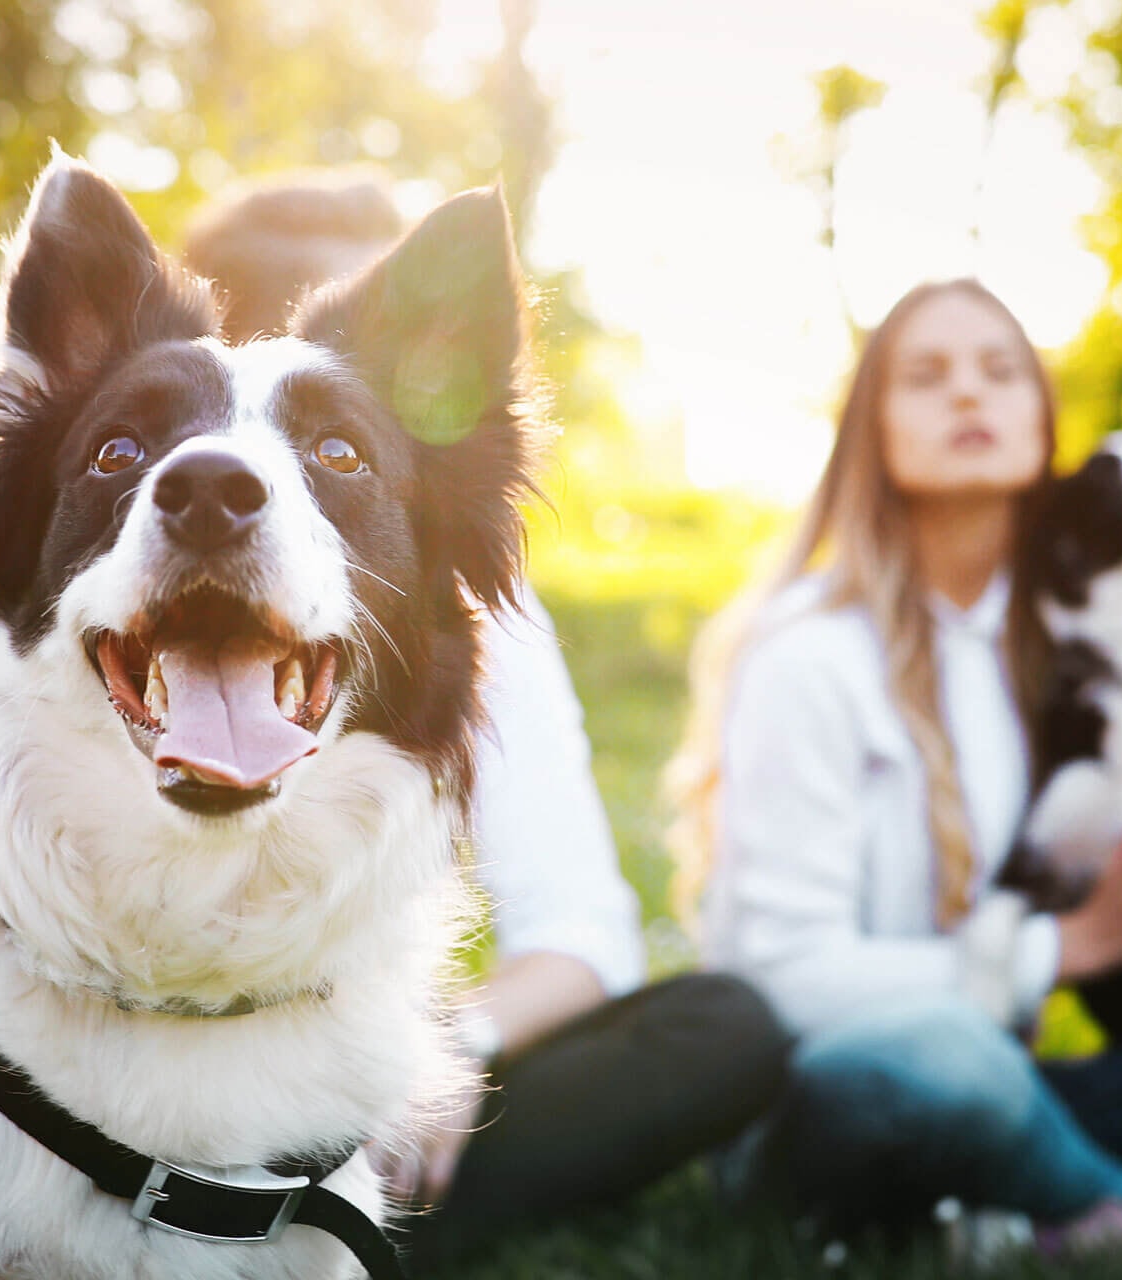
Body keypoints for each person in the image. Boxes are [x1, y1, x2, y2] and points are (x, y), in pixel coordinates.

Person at [182, 176, 791, 1266]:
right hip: (129, 1055)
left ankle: (321, 1210)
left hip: (375, 1067)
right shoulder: (113, 578)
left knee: (719, 1026)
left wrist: (433, 1054)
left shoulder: (460, 612)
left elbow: (579, 934)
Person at [674, 277, 1122, 1254]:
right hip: (839, 1092)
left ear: (1043, 420)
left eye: (1000, 371)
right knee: (949, 1060)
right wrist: (1078, 943)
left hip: (1012, 1097)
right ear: (873, 430)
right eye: (927, 376)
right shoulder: (811, 653)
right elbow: (780, 980)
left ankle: (1096, 1214)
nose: (969, 395)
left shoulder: (1054, 657)